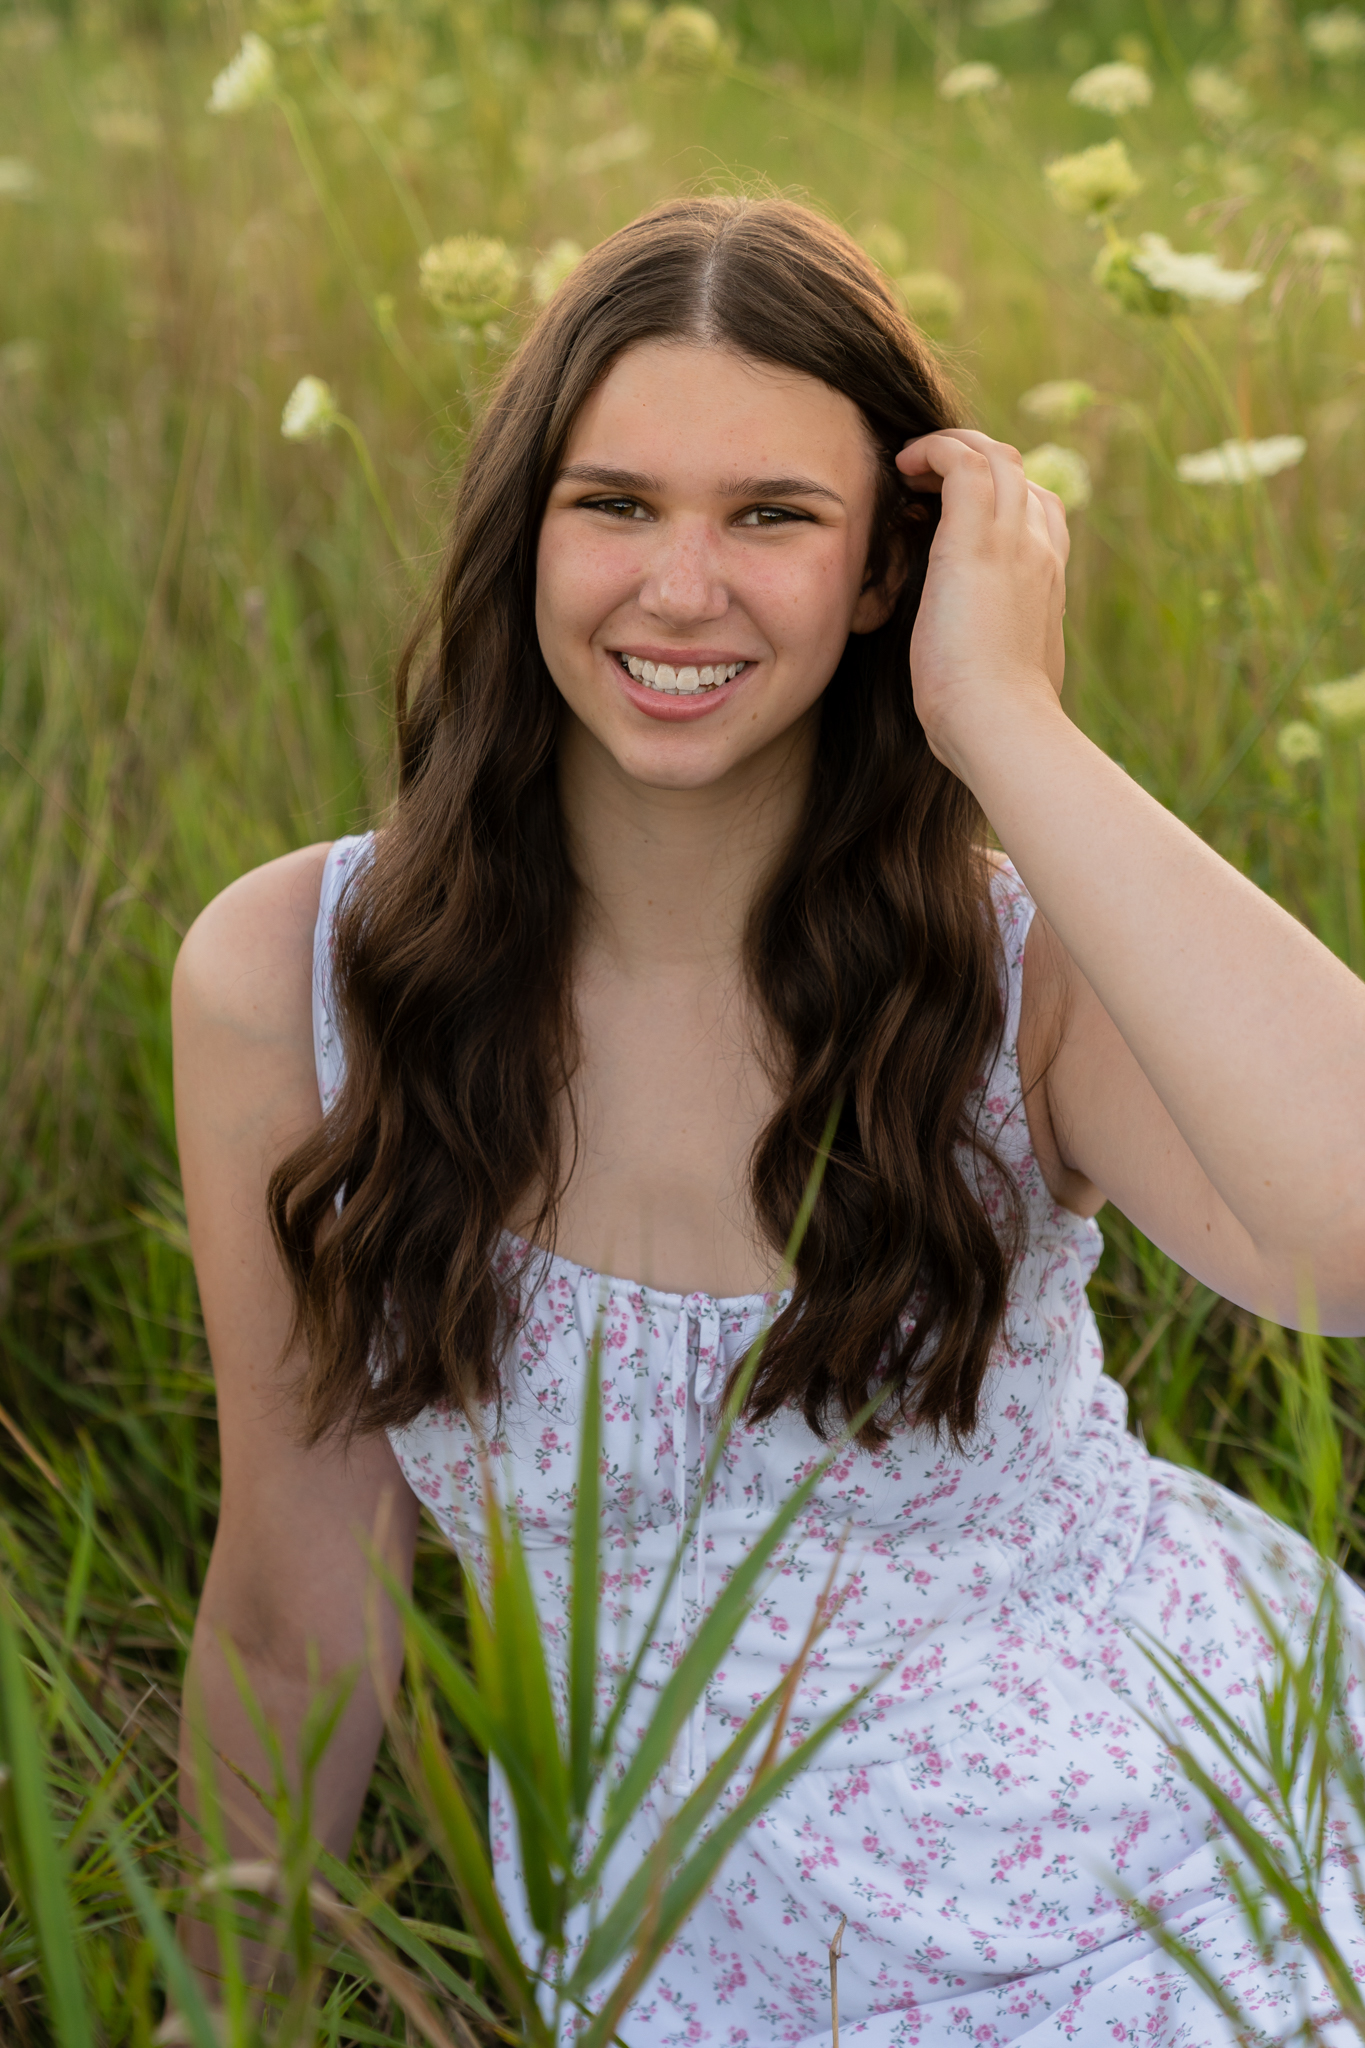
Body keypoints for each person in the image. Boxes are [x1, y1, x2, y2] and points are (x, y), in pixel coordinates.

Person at [173, 194, 1365, 2044]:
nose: (680, 587)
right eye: (618, 503)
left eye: (774, 518)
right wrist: (219, 2016)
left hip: (1158, 1830)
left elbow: (1352, 1240)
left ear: (889, 568)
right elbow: (292, 1608)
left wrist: (1006, 719)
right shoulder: (294, 975)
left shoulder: (1007, 971)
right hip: (698, 1935)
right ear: (522, 531)